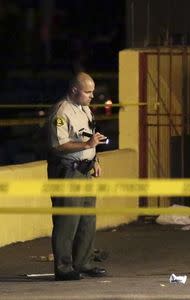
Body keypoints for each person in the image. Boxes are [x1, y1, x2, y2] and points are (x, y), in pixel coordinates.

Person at [47, 72, 107, 281]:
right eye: (88, 92)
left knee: (86, 219)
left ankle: (84, 262)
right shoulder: (62, 112)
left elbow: (90, 137)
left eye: (92, 92)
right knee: (67, 220)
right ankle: (63, 268)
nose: (92, 96)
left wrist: (95, 159)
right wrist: (86, 146)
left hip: (85, 170)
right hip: (68, 171)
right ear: (74, 91)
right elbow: (58, 146)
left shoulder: (85, 109)